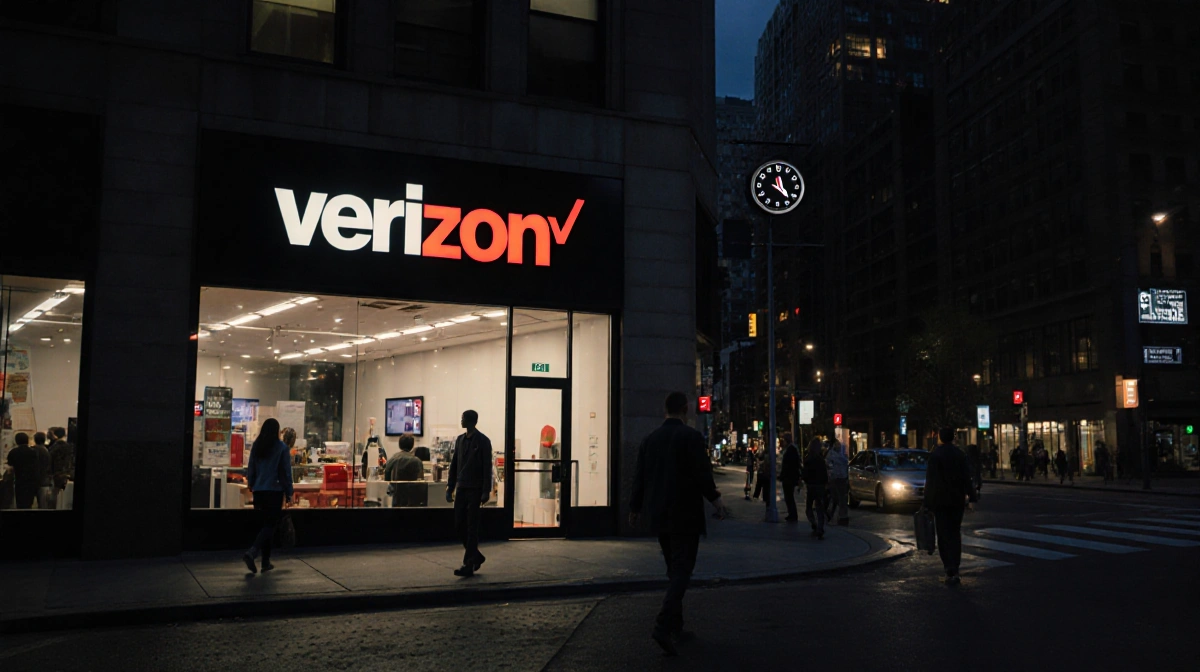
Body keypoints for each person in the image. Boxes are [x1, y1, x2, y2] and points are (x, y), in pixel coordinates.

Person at [629, 391, 728, 656]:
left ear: (665, 410)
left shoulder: (650, 440)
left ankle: (676, 626)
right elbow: (702, 474)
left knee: (674, 569)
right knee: (683, 570)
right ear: (685, 410)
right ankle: (663, 624)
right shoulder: (691, 437)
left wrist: (635, 508)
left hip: (659, 515)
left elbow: (640, 476)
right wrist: (716, 500)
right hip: (685, 513)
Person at [924, 427, 976, 585]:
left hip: (940, 500)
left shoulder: (935, 455)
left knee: (943, 533)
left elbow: (930, 482)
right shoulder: (960, 454)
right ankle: (955, 565)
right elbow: (967, 478)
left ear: (940, 437)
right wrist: (971, 497)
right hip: (957, 499)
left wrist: (926, 503)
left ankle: (948, 566)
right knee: (955, 532)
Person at [242, 418, 294, 574]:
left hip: (259, 491)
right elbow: (285, 472)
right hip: (274, 491)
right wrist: (289, 492)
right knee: (270, 525)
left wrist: (251, 483)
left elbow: (251, 467)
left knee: (266, 525)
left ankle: (266, 562)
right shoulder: (281, 448)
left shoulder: (257, 446)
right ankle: (252, 552)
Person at [446, 410, 493, 577]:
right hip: (461, 487)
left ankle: (469, 563)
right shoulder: (460, 440)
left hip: (475, 488)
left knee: (472, 526)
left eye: (463, 419)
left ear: (471, 421)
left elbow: (487, 468)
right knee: (459, 524)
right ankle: (476, 556)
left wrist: (486, 490)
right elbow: (454, 464)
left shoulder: (483, 441)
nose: (461, 421)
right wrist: (450, 486)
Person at [384, 433, 425, 507]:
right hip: (412, 501)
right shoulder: (417, 461)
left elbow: (386, 480)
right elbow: (421, 483)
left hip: (396, 500)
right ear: (412, 445)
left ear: (399, 444)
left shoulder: (392, 459)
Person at [802, 438, 828, 540]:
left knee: (809, 507)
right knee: (819, 507)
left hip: (811, 485)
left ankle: (813, 522)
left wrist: (806, 480)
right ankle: (820, 527)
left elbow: (805, 473)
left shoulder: (808, 459)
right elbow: (824, 473)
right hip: (820, 485)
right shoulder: (821, 459)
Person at [5, 433, 39, 509]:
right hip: (31, 481)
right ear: (27, 440)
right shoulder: (33, 452)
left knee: (20, 503)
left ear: (16, 441)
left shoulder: (13, 452)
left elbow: (9, 466)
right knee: (29, 503)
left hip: (19, 481)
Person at [826, 435, 850, 526]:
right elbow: (829, 465)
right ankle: (832, 514)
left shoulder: (842, 454)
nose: (838, 446)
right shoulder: (832, 454)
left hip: (841, 478)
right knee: (835, 498)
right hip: (835, 478)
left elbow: (845, 465)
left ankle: (841, 516)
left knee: (841, 498)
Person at [779, 433, 801, 522]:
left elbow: (789, 465)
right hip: (789, 476)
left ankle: (793, 514)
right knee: (789, 496)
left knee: (789, 496)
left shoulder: (791, 450)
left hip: (789, 477)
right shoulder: (791, 449)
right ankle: (791, 514)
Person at [48, 427, 74, 492]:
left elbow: (50, 460)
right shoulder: (70, 446)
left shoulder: (54, 447)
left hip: (56, 474)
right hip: (68, 473)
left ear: (55, 435)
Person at [31, 431, 52, 509]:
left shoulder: (32, 450)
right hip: (44, 481)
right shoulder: (47, 450)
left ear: (35, 439)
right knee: (43, 506)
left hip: (33, 480)